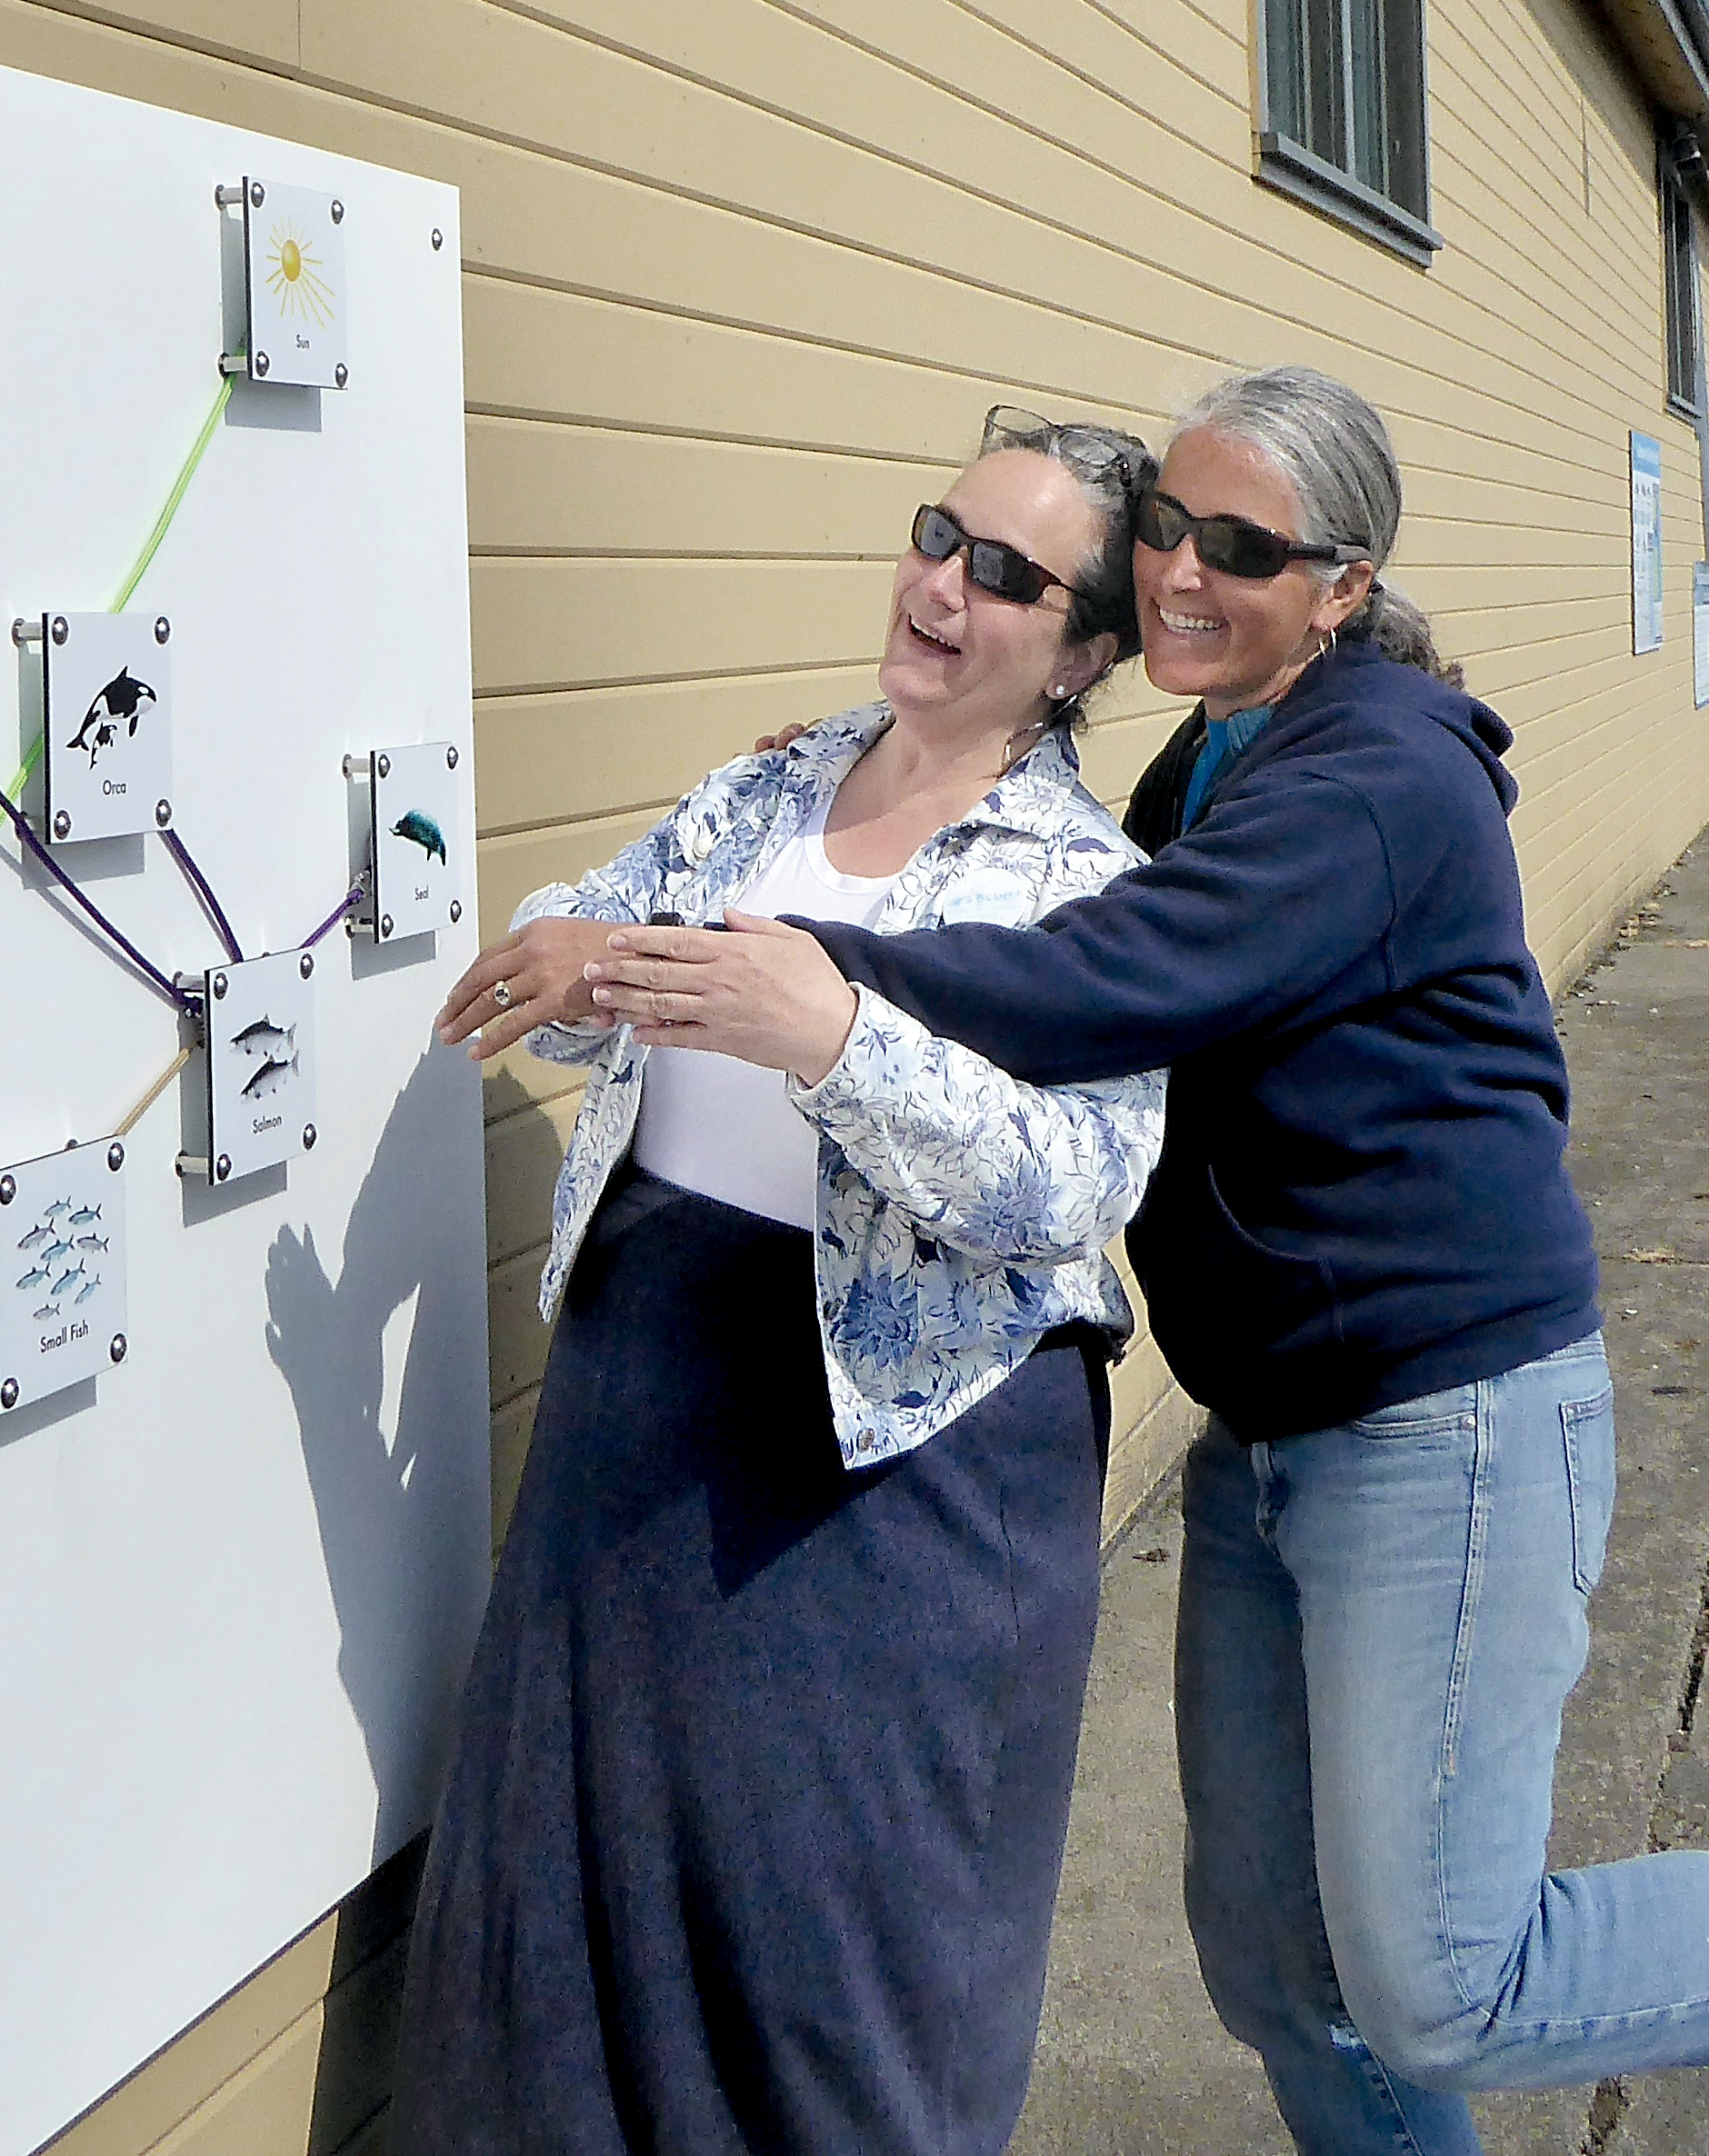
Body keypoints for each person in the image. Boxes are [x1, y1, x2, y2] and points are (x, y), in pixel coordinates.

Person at [571, 367, 1709, 2156]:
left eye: (1241, 546)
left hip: (1450, 1426)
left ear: (1338, 584)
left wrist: (813, 973)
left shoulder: (1381, 768)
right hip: (1273, 1435)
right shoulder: (1210, 755)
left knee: (1443, 1979)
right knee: (1278, 1962)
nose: (1181, 570)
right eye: (1166, 527)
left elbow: (1129, 971)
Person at [397, 413, 1172, 2154]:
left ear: (1083, 654)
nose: (940, 587)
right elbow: (581, 928)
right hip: (637, 1420)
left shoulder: (1084, 889)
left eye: (1005, 574)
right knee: (572, 1924)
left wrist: (832, 1039)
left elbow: (1074, 1182)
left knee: (825, 1967)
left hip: (887, 1500)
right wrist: (585, 950)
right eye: (936, 534)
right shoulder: (770, 785)